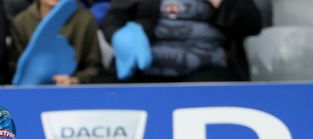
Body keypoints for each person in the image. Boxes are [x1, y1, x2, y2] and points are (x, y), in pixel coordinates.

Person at [101, 0, 263, 83]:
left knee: (213, 92)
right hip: (143, 68)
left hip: (207, 69)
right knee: (102, 90)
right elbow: (114, 19)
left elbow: (252, 24)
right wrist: (118, 35)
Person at [10, 0, 103, 85]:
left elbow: (94, 66)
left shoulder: (86, 19)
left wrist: (75, 80)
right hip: (31, 90)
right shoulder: (21, 22)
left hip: (73, 91)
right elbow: (15, 67)